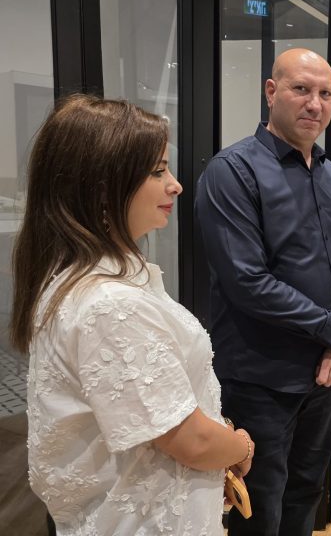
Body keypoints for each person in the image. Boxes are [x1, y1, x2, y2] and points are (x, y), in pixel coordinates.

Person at [11, 94, 253, 535]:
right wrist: (239, 446)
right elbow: (190, 441)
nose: (175, 185)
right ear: (103, 187)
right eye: (158, 171)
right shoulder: (110, 304)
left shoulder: (81, 279)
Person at [195, 48, 331, 535]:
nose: (315, 104)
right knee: (259, 505)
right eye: (301, 89)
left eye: (325, 93)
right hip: (260, 379)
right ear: (271, 92)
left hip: (324, 374)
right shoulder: (233, 172)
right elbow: (247, 282)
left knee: (307, 492)